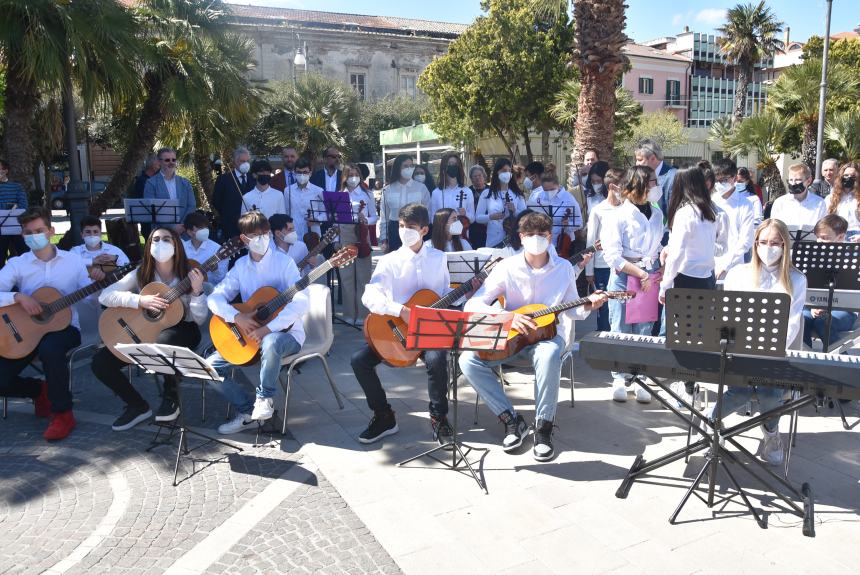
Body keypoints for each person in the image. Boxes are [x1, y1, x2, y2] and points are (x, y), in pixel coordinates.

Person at [460, 211, 607, 461]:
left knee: (549, 354)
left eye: (541, 234)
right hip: (513, 336)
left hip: (548, 336)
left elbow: (571, 308)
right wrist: (508, 317)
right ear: (521, 237)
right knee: (468, 361)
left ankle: (543, 428)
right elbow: (474, 304)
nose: (536, 239)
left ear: (550, 237)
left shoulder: (563, 268)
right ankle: (511, 419)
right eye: (530, 234)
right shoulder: (507, 267)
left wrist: (589, 306)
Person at [350, 203, 453, 445]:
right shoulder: (389, 261)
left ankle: (439, 416)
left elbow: (445, 292)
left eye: (411, 227)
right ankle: (384, 416)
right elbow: (370, 296)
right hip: (397, 330)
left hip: (429, 329)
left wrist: (464, 295)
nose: (405, 231)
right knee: (359, 361)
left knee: (437, 359)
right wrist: (400, 310)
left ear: (424, 230)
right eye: (402, 226)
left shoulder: (439, 258)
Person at [92, 227, 207, 430]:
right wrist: (139, 300)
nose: (160, 244)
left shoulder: (188, 274)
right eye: (155, 240)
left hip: (183, 329)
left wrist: (197, 293)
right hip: (145, 332)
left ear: (176, 244)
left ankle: (171, 398)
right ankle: (137, 405)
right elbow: (105, 296)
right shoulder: (141, 272)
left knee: (165, 340)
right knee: (100, 363)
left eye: (166, 239)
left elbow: (198, 319)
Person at [206, 211, 309, 433]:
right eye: (256, 235)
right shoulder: (241, 266)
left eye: (265, 233)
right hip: (249, 337)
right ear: (244, 239)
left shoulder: (285, 262)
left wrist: (268, 328)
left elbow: (302, 301)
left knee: (271, 341)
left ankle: (264, 398)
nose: (263, 238)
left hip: (287, 335)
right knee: (210, 367)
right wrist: (236, 317)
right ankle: (246, 411)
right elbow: (214, 297)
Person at [719, 219, 807, 466]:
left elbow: (793, 322)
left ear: (784, 245)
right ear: (756, 244)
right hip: (740, 351)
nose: (769, 248)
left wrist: (770, 349)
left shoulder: (796, 279)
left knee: (770, 392)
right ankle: (710, 423)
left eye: (776, 243)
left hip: (775, 353)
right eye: (764, 242)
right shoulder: (738, 274)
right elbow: (728, 318)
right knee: (740, 390)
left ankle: (771, 434)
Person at [0, 208, 92, 440]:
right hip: (25, 331)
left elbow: (90, 297)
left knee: (50, 349)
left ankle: (62, 414)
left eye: (39, 231)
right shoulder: (17, 263)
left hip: (66, 327)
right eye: (28, 232)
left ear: (51, 231)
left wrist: (99, 283)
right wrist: (17, 297)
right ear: (22, 236)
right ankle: (38, 390)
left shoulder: (74, 261)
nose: (34, 236)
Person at [601, 166, 664, 403]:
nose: (655, 186)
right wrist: (641, 274)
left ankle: (640, 376)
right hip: (624, 275)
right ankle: (619, 376)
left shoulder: (657, 213)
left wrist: (657, 267)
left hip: (648, 274)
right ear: (638, 184)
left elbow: (657, 245)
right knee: (620, 326)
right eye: (651, 182)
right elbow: (612, 256)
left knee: (645, 328)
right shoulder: (616, 215)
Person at [803, 215, 858, 348]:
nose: (819, 241)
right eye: (818, 237)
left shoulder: (854, 257)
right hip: (813, 305)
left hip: (844, 309)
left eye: (825, 238)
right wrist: (814, 306)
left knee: (824, 322)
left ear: (840, 237)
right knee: (801, 321)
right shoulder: (812, 255)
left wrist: (827, 306)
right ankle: (804, 360)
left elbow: (852, 293)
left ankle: (839, 365)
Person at [585, 168, 625, 332]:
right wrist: (589, 270)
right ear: (612, 187)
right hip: (602, 266)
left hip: (622, 264)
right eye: (623, 185)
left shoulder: (627, 208)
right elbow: (591, 240)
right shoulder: (598, 210)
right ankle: (602, 338)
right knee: (604, 306)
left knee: (619, 307)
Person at [339, 163, 377, 326]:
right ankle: (349, 313)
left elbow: (374, 216)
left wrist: (366, 220)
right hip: (345, 233)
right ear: (345, 178)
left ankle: (363, 314)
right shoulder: (340, 195)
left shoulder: (367, 194)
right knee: (346, 276)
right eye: (350, 175)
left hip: (362, 233)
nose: (353, 178)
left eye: (356, 174)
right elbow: (335, 221)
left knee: (363, 276)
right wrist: (336, 241)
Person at [711, 157, 756, 279]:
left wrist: (726, 266)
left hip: (734, 267)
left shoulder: (745, 204)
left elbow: (746, 240)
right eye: (717, 180)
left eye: (725, 179)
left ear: (735, 178)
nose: (720, 184)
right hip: (709, 265)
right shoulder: (710, 201)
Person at [378, 154, 430, 253]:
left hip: (416, 229)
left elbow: (428, 212)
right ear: (398, 168)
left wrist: (424, 232)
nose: (409, 169)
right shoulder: (388, 190)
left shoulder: (421, 188)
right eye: (405, 166)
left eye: (411, 166)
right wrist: (384, 239)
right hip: (395, 230)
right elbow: (384, 216)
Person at [143, 147, 197, 236]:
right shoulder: (151, 183)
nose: (171, 162)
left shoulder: (185, 182)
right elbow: (150, 209)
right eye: (167, 160)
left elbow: (192, 206)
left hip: (184, 232)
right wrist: (172, 227)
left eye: (173, 160)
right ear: (159, 162)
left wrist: (182, 226)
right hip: (162, 233)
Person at [476, 158, 527, 249]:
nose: (507, 173)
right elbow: (478, 218)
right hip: (493, 239)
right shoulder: (486, 193)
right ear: (497, 172)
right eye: (504, 171)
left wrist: (515, 210)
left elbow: (525, 217)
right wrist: (491, 217)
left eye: (509, 171)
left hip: (513, 239)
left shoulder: (517, 194)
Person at [528, 172, 582, 248]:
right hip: (542, 242)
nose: (549, 192)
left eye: (552, 189)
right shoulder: (538, 195)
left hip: (562, 243)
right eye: (545, 190)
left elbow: (579, 223)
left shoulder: (569, 199)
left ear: (558, 185)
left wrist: (568, 225)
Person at [213, 147, 255, 241]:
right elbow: (216, 202)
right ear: (235, 162)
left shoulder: (254, 179)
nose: (245, 164)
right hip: (231, 227)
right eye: (242, 161)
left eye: (247, 161)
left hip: (251, 228)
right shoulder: (223, 179)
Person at [770, 163, 828, 229]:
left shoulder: (819, 203)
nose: (793, 184)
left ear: (809, 181)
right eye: (791, 180)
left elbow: (823, 227)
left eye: (798, 180)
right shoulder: (780, 202)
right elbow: (774, 227)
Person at [430, 153, 475, 235]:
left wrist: (465, 214)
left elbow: (472, 218)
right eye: (449, 164)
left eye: (455, 164)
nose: (452, 166)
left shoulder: (467, 191)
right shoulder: (436, 193)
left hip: (461, 235)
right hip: (442, 235)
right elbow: (432, 218)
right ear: (444, 167)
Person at [182, 212, 228, 285]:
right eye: (201, 228)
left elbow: (223, 281)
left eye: (206, 227)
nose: (205, 230)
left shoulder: (217, 249)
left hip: (209, 293)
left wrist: (216, 270)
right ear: (189, 232)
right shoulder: (182, 248)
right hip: (184, 291)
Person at [634, 139, 677, 218]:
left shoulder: (673, 177)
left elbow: (674, 213)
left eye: (640, 160)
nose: (637, 164)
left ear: (653, 158)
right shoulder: (638, 176)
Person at [284, 158, 324, 240]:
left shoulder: (319, 191)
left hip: (313, 235)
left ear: (310, 173)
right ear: (294, 173)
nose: (302, 175)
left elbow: (325, 213)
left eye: (305, 172)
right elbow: (287, 213)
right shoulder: (288, 190)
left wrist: (316, 220)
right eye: (299, 172)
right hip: (294, 234)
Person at [0, 158, 30, 267]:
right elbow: (14, 206)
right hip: (0, 230)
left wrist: (5, 207)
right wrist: (11, 205)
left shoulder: (17, 187)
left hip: (17, 227)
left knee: (25, 255)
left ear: (5, 171)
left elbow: (23, 206)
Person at [825, 161, 860, 241]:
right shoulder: (830, 198)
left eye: (853, 176)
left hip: (857, 237)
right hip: (836, 236)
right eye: (846, 175)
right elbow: (825, 220)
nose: (849, 178)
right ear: (841, 177)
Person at [467, 165, 489, 248]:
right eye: (475, 176)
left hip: (488, 227)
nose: (477, 178)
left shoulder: (491, 190)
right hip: (474, 228)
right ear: (471, 179)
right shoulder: (468, 192)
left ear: (484, 176)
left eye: (479, 175)